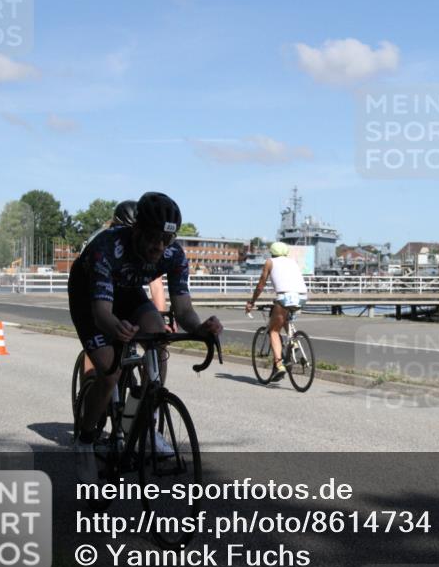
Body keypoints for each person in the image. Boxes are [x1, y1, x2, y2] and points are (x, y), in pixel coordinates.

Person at [68, 192, 222, 482]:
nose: (159, 247)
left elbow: (183, 309)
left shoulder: (173, 255)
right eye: (153, 238)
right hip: (89, 292)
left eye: (167, 240)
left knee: (157, 338)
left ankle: (143, 415)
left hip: (126, 291)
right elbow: (102, 314)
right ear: (135, 230)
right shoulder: (107, 246)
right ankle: (85, 441)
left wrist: (199, 328)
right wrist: (116, 328)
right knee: (110, 371)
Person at [77, 201, 169, 390]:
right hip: (96, 290)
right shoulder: (102, 240)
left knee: (152, 340)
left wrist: (161, 318)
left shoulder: (144, 244)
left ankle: (148, 402)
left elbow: (156, 284)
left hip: (126, 292)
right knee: (98, 348)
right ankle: (89, 389)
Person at [245, 241, 308, 381]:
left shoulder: (270, 262)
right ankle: (293, 342)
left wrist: (252, 302)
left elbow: (261, 284)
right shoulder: (292, 262)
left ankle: (279, 365)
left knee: (274, 330)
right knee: (282, 317)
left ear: (272, 252)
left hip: (285, 297)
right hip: (302, 296)